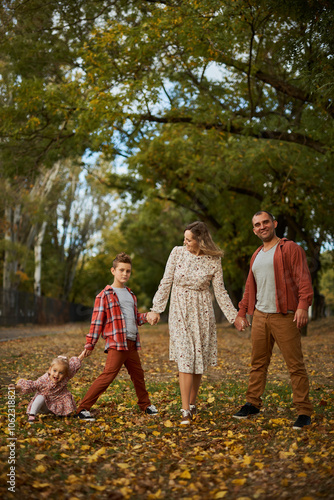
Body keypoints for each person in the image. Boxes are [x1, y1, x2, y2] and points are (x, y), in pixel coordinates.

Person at [149, 221, 240, 425]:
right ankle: (184, 410)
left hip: (202, 311)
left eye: (189, 240)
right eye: (185, 239)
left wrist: (233, 317)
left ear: (200, 240)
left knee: (197, 359)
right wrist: (156, 309)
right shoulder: (177, 253)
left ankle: (192, 403)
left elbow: (220, 291)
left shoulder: (213, 261)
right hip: (179, 309)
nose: (185, 242)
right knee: (185, 357)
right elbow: (166, 281)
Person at [233, 211, 314, 430]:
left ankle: (304, 411)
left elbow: (303, 279)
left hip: (284, 315)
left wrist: (302, 306)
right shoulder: (256, 254)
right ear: (254, 230)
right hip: (260, 316)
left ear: (274, 224)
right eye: (257, 224)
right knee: (258, 363)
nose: (262, 227)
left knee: (295, 365)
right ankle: (253, 403)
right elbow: (250, 287)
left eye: (265, 222)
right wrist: (241, 312)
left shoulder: (290, 249)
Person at [76, 252, 158, 421]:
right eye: (121, 270)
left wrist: (147, 317)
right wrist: (90, 344)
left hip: (131, 343)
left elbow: (134, 318)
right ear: (113, 271)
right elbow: (96, 322)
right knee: (108, 375)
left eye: (128, 271)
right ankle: (83, 408)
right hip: (116, 343)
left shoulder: (130, 294)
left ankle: (145, 404)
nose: (125, 274)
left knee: (138, 375)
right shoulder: (104, 295)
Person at [13, 352, 85, 423]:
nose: (56, 375)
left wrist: (83, 354)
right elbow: (32, 385)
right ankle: (32, 415)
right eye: (54, 371)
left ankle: (63, 413)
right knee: (40, 397)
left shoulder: (66, 376)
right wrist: (17, 387)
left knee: (66, 396)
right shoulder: (43, 380)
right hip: (44, 405)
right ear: (50, 369)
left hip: (57, 402)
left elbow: (73, 366)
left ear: (65, 373)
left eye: (60, 373)